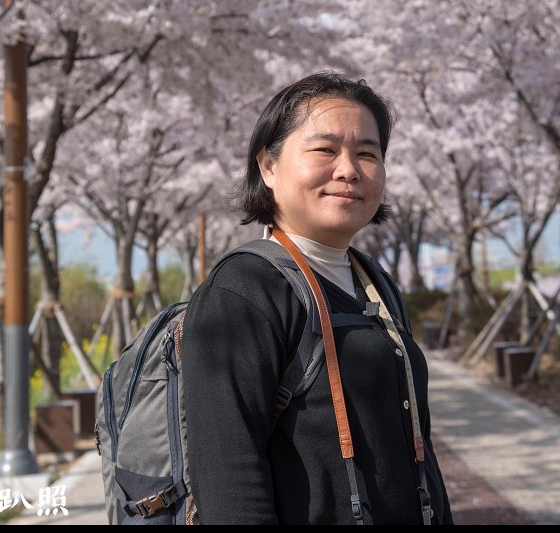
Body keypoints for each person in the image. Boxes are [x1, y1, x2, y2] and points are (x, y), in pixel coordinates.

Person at [182, 71, 454, 525]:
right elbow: (230, 480)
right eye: (325, 150)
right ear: (268, 167)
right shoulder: (243, 292)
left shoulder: (376, 283)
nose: (349, 169)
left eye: (367, 153)